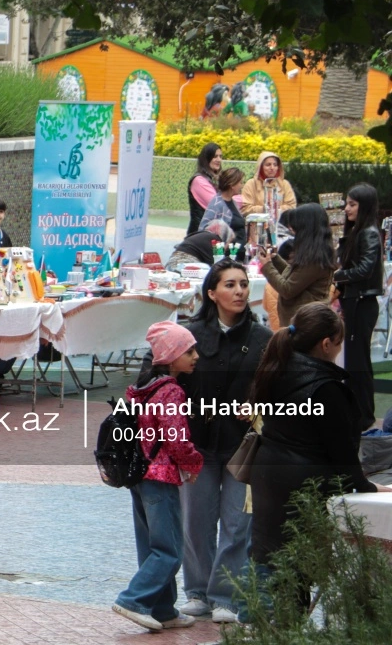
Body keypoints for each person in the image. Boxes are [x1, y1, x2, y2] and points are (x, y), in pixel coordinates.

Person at [247, 304, 390, 597]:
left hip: (270, 474)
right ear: (326, 344)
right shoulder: (326, 388)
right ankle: (277, 629)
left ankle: (259, 622)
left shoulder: (276, 368)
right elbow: (342, 455)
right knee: (294, 571)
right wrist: (369, 487)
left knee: (270, 558)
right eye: (339, 343)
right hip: (303, 483)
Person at [173, 260, 272, 623]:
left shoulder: (263, 339)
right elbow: (167, 381)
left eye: (244, 284)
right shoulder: (188, 334)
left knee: (237, 523)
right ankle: (197, 591)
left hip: (241, 446)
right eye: (230, 285)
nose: (240, 291)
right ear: (211, 293)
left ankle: (226, 596)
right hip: (197, 443)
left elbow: (276, 385)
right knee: (196, 521)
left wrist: (257, 403)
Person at [112, 322, 203, 632]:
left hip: (138, 475)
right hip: (161, 476)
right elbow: (177, 439)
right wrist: (194, 462)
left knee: (151, 545)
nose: (196, 356)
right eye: (189, 351)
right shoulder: (171, 392)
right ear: (172, 355)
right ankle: (132, 600)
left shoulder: (142, 388)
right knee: (169, 549)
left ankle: (163, 609)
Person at [333, 182, 384, 432]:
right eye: (346, 203)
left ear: (363, 206)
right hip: (356, 301)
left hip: (362, 303)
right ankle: (360, 414)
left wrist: (338, 276)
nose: (346, 209)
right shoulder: (359, 232)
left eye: (352, 204)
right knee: (355, 360)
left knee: (358, 362)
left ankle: (364, 416)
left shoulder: (369, 233)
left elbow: (365, 269)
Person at [257, 204, 335, 326]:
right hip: (302, 321)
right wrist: (274, 258)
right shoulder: (312, 254)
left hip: (308, 324)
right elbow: (293, 275)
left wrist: (267, 266)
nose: (293, 233)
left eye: (295, 229)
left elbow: (287, 289)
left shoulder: (315, 259)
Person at [239, 151, 296, 217]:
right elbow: (244, 209)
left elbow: (292, 206)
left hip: (281, 224)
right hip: (257, 224)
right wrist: (264, 209)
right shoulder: (251, 184)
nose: (272, 168)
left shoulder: (284, 184)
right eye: (268, 165)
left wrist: (275, 210)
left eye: (275, 165)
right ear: (260, 167)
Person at [166, 219, 234, 272]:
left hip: (172, 262)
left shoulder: (200, 234)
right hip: (185, 265)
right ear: (225, 234)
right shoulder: (215, 241)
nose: (227, 246)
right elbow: (217, 266)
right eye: (228, 242)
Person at [198, 168, 246, 242]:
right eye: (240, 183)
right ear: (232, 185)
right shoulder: (216, 205)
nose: (242, 186)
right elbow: (204, 230)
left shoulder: (233, 202)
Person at [187, 142, 223, 236]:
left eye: (220, 156)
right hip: (199, 235)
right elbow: (217, 205)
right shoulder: (199, 181)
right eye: (215, 156)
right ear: (206, 158)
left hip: (212, 233)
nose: (219, 160)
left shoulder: (217, 179)